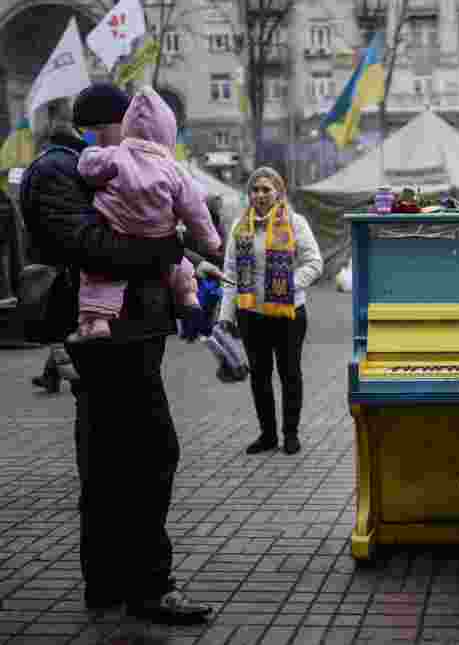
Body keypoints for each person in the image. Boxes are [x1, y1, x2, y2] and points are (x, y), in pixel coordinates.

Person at [18, 83, 212, 623]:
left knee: (108, 464)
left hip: (129, 336)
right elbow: (89, 246)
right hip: (109, 341)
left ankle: (108, 584)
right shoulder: (58, 171)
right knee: (148, 458)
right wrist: (168, 247)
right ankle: (149, 585)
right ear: (111, 122)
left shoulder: (96, 166)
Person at [72, 87, 221, 341]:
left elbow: (88, 166)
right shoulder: (175, 169)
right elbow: (196, 209)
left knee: (101, 280)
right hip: (156, 243)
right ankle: (188, 298)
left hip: (122, 229)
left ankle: (98, 321)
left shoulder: (114, 156)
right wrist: (211, 241)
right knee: (179, 267)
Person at [217, 167, 323, 456]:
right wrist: (225, 316)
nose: (261, 195)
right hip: (251, 314)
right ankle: (267, 435)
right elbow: (230, 274)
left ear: (278, 191)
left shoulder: (294, 222)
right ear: (249, 194)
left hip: (289, 314)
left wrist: (289, 286)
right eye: (255, 189)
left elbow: (314, 263)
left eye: (266, 189)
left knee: (289, 374)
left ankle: (290, 433)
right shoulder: (241, 226)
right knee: (259, 376)